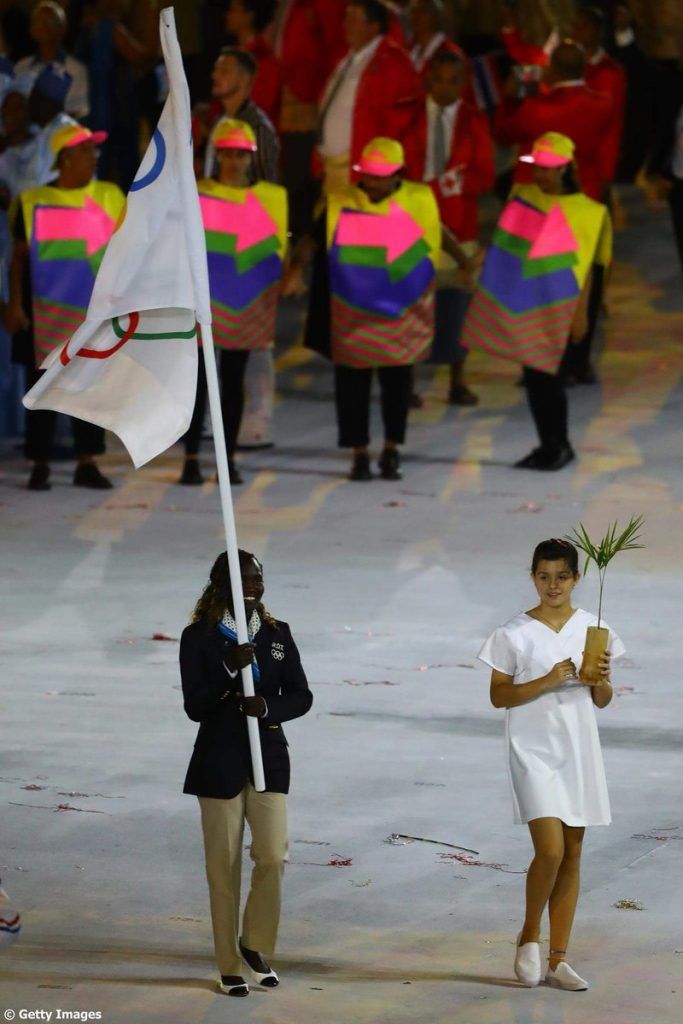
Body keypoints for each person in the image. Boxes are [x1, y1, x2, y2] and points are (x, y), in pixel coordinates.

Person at [478, 537, 624, 991]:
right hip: (532, 749)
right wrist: (544, 680)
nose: (553, 585)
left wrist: (600, 678)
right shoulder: (513, 633)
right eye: (544, 576)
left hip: (578, 748)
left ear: (576, 578)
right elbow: (499, 695)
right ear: (533, 577)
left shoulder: (593, 627)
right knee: (551, 850)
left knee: (574, 852)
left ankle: (559, 959)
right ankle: (528, 937)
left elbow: (601, 700)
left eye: (562, 576)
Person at [288, 136, 473, 481]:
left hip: (401, 314)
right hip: (352, 312)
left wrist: (464, 262)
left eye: (380, 175)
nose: (372, 182)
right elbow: (312, 239)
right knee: (352, 385)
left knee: (397, 385)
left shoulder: (419, 200)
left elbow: (439, 233)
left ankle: (391, 449)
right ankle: (359, 453)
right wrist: (296, 270)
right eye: (368, 175)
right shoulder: (341, 202)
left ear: (397, 173)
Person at [180, 548, 313, 997]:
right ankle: (228, 963)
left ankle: (254, 943)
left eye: (257, 578)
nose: (253, 586)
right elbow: (195, 706)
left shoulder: (278, 634)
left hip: (267, 759)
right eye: (243, 580)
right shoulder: (197, 637)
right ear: (220, 585)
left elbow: (302, 695)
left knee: (273, 855)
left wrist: (269, 706)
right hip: (218, 762)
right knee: (224, 867)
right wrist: (226, 669)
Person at [461, 132, 612, 470]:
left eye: (548, 168)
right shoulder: (523, 195)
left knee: (548, 378)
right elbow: (506, 240)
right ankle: (550, 444)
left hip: (559, 306)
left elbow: (588, 268)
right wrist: (478, 260)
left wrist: (581, 315)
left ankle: (558, 445)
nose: (540, 175)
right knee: (534, 377)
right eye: (537, 168)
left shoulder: (589, 212)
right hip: (528, 301)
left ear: (566, 169)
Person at [4, 121, 124, 490]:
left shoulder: (110, 196)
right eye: (87, 150)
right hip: (45, 313)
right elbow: (19, 260)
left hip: (92, 316)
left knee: (87, 388)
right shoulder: (32, 202)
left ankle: (86, 462)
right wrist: (15, 304)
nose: (94, 156)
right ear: (66, 158)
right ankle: (40, 462)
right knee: (43, 389)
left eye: (94, 149)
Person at [179, 118, 287, 487]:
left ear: (250, 158)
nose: (234, 161)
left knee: (232, 381)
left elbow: (275, 254)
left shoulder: (270, 197)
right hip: (205, 301)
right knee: (198, 386)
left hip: (245, 302)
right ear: (218, 155)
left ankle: (227, 461)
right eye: (228, 153)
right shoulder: (198, 193)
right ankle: (191, 458)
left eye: (240, 154)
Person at [405, 48, 494, 405]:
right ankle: (406, 381)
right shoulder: (408, 116)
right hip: (413, 225)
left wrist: (459, 184)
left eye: (454, 80)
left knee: (458, 305)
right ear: (428, 78)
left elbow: (485, 175)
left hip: (460, 224)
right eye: (439, 79)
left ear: (463, 83)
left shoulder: (474, 119)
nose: (445, 88)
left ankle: (458, 380)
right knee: (412, 304)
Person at [317, 0, 422, 194]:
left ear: (373, 26)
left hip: (362, 174)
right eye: (346, 17)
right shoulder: (345, 58)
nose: (346, 24)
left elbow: (402, 123)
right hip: (331, 171)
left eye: (354, 19)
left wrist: (379, 170)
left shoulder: (393, 62)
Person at [494, 41, 613, 202]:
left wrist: (509, 100)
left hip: (537, 200)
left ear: (552, 69)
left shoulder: (535, 109)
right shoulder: (603, 104)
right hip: (585, 194)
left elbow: (502, 134)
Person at [202, 48, 279, 184]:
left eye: (224, 71)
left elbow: (264, 186)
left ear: (244, 79)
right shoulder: (219, 121)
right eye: (216, 70)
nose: (215, 75)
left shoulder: (257, 127)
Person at [571, 5, 626, 195]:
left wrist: (606, 170)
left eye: (583, 26)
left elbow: (613, 123)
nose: (577, 31)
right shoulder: (564, 63)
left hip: (592, 168)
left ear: (598, 31)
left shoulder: (609, 72)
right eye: (575, 26)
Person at [14, 1, 89, 119]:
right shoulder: (21, 67)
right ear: (31, 29)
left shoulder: (76, 70)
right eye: (37, 22)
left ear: (62, 28)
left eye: (49, 22)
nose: (42, 26)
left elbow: (78, 112)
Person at [225, 0, 281, 125]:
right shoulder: (232, 54)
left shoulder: (263, 60)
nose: (228, 15)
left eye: (233, 10)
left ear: (249, 15)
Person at [409, 0, 465, 81]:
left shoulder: (450, 52)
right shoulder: (409, 50)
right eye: (413, 11)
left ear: (436, 16)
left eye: (423, 11)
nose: (416, 16)